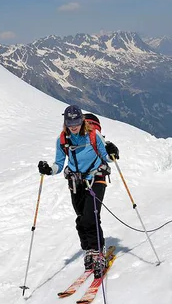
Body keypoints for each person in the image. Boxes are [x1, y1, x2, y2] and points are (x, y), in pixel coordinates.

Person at [37, 105, 120, 278]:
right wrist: (48, 170)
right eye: (69, 122)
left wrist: (112, 153)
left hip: (96, 177)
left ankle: (98, 251)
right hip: (76, 182)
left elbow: (106, 156)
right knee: (82, 218)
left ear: (82, 120)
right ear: (65, 122)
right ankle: (89, 249)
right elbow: (59, 164)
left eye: (76, 121)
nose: (73, 126)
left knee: (91, 215)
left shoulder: (93, 135)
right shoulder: (62, 140)